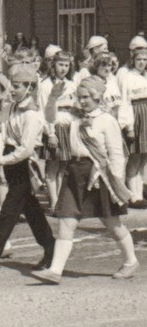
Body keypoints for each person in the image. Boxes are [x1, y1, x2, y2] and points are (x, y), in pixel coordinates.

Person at [33, 76, 139, 284]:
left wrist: (115, 182)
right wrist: (53, 98)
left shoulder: (107, 120)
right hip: (75, 171)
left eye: (85, 98)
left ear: (97, 97)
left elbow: (116, 154)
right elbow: (50, 118)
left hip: (99, 174)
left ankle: (130, 261)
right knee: (66, 219)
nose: (81, 101)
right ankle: (55, 270)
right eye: (78, 97)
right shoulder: (73, 117)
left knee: (111, 222)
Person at [0, 64, 56, 277]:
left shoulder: (32, 115)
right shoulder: (9, 107)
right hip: (10, 161)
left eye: (17, 86)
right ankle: (52, 248)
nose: (12, 90)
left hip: (24, 164)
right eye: (12, 86)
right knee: (32, 210)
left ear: (30, 87)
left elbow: (25, 150)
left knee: (8, 212)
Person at [38, 51, 76, 214]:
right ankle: (53, 201)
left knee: (63, 167)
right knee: (52, 167)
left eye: (66, 65)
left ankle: (60, 201)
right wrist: (50, 132)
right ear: (53, 65)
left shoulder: (71, 84)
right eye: (60, 64)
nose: (63, 68)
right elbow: (42, 110)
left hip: (69, 127)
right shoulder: (46, 85)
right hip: (55, 126)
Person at [118, 47, 147, 208]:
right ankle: (133, 196)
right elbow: (125, 101)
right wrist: (128, 126)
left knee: (143, 158)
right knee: (135, 157)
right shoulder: (127, 77)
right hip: (136, 116)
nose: (142, 63)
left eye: (145, 59)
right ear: (133, 60)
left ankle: (139, 193)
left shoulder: (146, 76)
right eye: (139, 59)